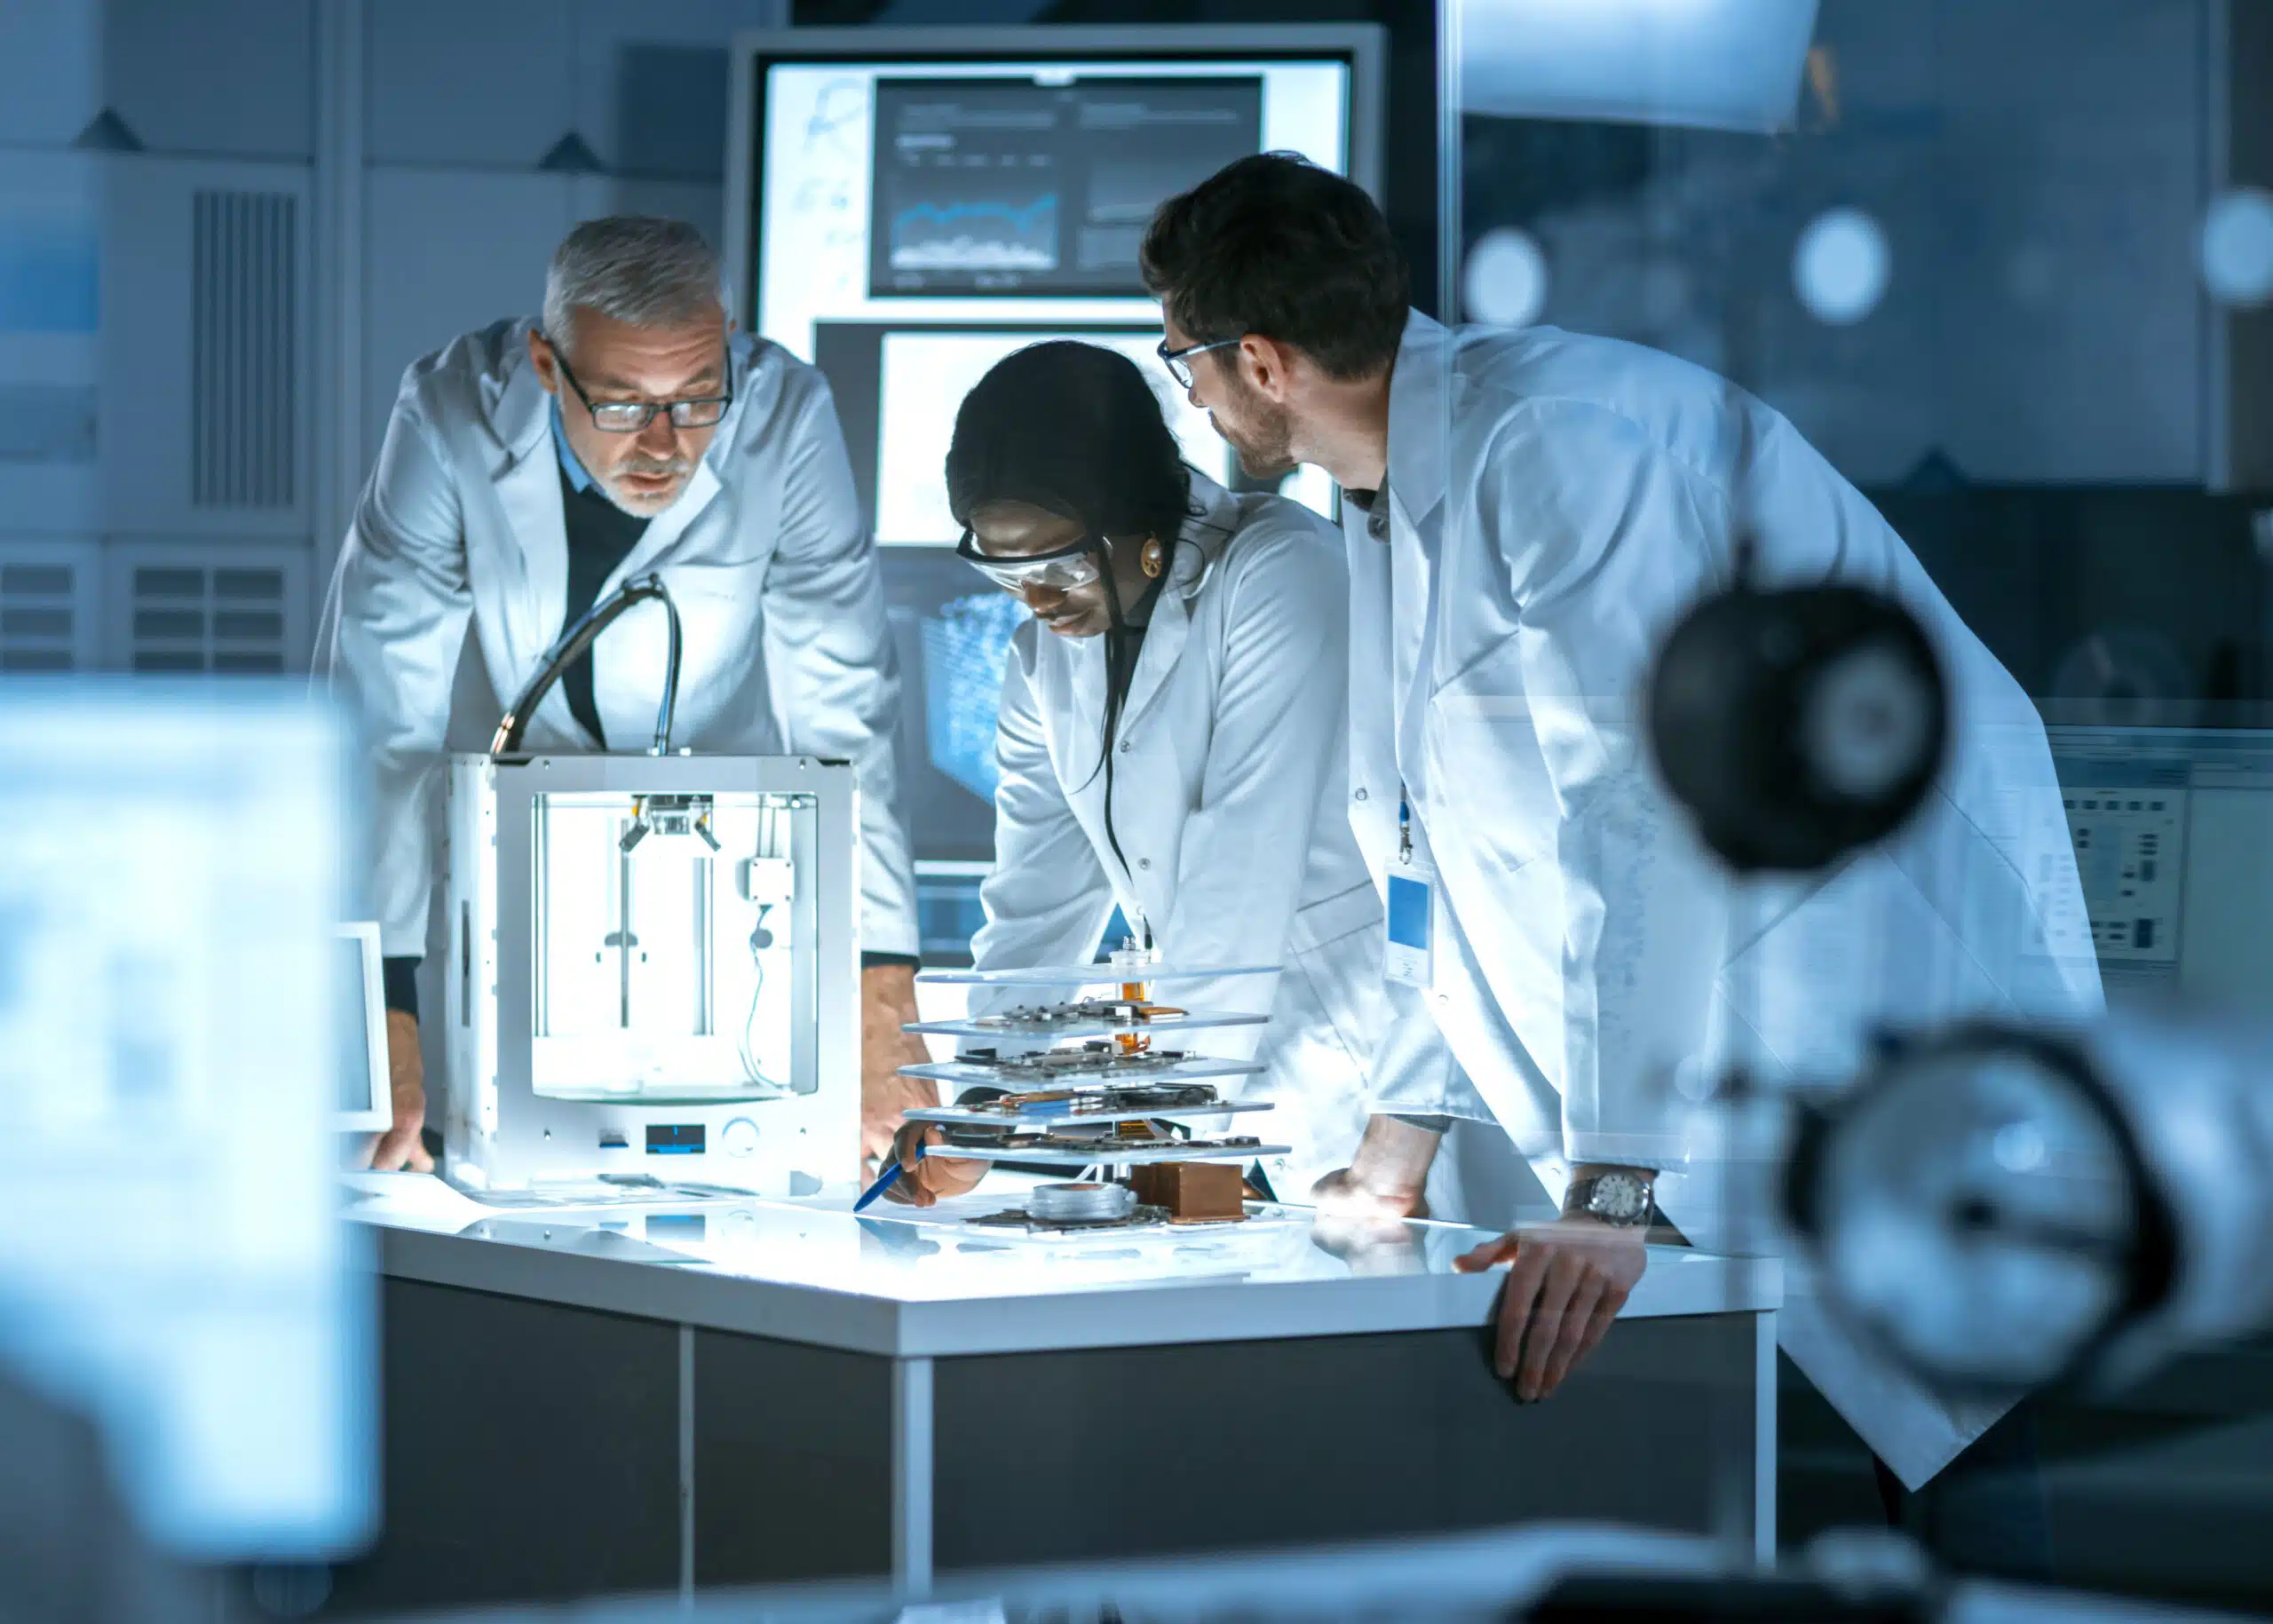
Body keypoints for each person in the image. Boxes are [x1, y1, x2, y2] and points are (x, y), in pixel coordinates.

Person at [1138, 154, 2101, 1549]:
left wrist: (1612, 1187)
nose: (1188, 391)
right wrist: (1399, 1138)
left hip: (1882, 988)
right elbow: (1442, 859)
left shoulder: (1565, 444)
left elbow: (1648, 815)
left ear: (1264, 362)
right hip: (1733, 1040)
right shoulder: (1388, 490)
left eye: (1183, 358)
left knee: (1949, 1477)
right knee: (1804, 1480)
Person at [320, 216, 930, 1176]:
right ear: (544, 363)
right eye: (619, 404)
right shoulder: (448, 416)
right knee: (485, 1168)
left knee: (724, 1168)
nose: (664, 445)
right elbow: (380, 723)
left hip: (717, 868)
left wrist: (881, 998)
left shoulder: (783, 419)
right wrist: (378, 1006)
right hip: (501, 863)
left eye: (696, 398)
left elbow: (843, 709)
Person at [885, 340, 1383, 1206]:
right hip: (1233, 1098)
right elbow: (1034, 911)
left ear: (1141, 524)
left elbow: (1239, 876)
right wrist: (980, 1110)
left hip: (1364, 1073)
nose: (1036, 598)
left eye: (1059, 564)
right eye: (1007, 572)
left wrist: (1159, 1120)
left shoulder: (1277, 572)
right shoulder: (1039, 660)